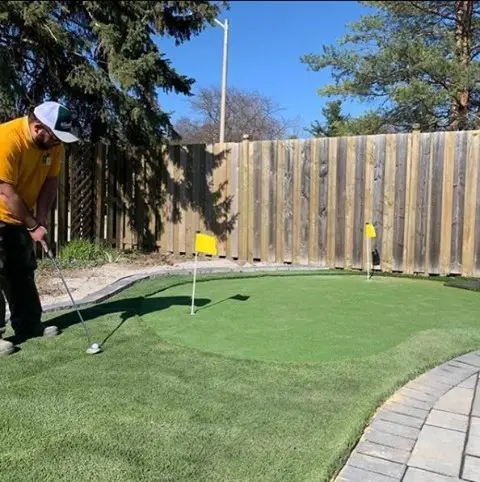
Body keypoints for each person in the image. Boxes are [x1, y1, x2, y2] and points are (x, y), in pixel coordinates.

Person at [0, 101, 79, 356]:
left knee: (22, 270)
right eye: (56, 137)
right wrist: (32, 224)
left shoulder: (53, 144)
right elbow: (4, 191)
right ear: (37, 128)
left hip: (18, 216)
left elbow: (51, 181)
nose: (59, 143)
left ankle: (29, 324)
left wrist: (42, 218)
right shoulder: (7, 139)